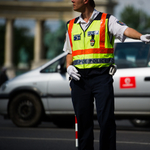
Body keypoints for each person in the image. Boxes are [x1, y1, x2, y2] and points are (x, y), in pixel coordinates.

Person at [63, 0, 150, 150]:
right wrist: (68, 67)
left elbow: (125, 30)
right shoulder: (71, 25)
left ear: (85, 1)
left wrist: (141, 36)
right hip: (79, 80)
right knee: (83, 122)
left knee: (106, 120)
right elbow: (70, 52)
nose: (72, 1)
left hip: (101, 77)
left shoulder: (106, 20)